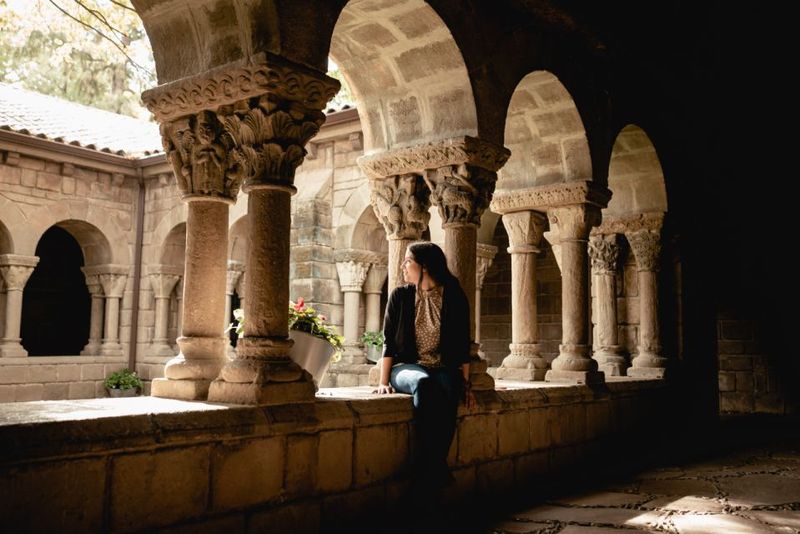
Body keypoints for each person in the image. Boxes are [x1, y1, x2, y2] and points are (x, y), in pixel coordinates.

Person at [374, 241, 476, 490]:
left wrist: (465, 384)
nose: (403, 266)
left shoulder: (453, 295)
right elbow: (389, 342)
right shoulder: (400, 296)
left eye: (408, 261)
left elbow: (463, 344)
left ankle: (430, 468)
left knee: (449, 387)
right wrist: (383, 381)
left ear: (425, 267)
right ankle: (436, 469)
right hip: (406, 368)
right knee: (424, 383)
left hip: (442, 366)